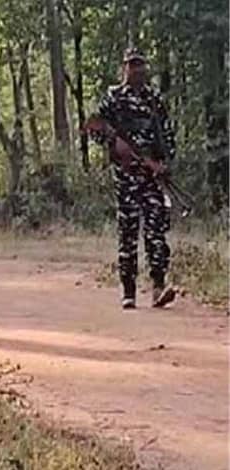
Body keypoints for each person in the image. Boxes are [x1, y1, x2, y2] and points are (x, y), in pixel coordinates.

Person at [90, 47, 177, 309]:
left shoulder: (153, 98)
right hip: (126, 175)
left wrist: (164, 163)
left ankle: (158, 286)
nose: (136, 69)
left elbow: (166, 133)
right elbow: (93, 127)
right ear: (124, 68)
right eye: (132, 65)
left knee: (156, 230)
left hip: (151, 175)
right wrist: (114, 142)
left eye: (140, 65)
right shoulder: (114, 97)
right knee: (128, 231)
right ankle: (128, 291)